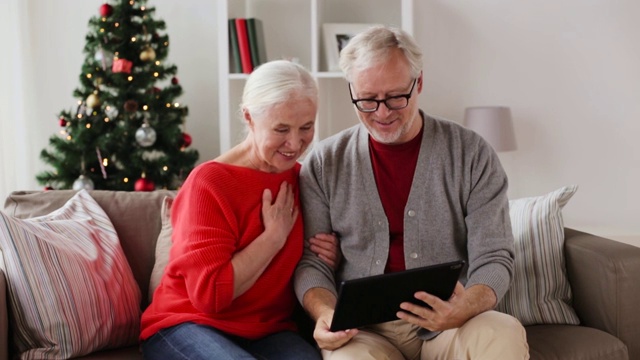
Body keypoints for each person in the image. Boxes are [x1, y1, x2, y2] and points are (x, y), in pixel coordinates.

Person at [294, 25, 530, 360]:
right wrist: (324, 314)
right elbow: (312, 263)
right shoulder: (324, 162)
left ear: (418, 83)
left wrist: (466, 306)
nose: (382, 113)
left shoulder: (471, 153)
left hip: (451, 324)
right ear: (351, 89)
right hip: (364, 332)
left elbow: (494, 256)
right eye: (367, 100)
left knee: (502, 333)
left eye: (395, 97)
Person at [140, 60, 339, 360]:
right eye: (281, 129)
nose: (295, 143)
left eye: (306, 127)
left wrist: (333, 256)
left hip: (269, 330)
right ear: (249, 118)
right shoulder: (209, 183)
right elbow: (210, 297)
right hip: (188, 324)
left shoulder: (304, 178)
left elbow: (312, 260)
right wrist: (273, 237)